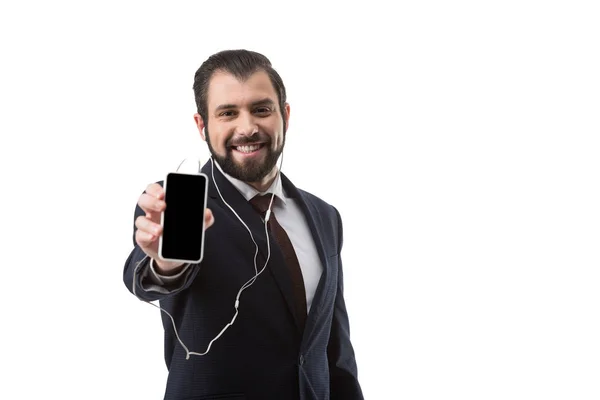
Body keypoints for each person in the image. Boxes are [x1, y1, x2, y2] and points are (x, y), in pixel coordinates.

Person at [123, 49, 364, 400]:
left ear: (285, 115)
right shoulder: (174, 207)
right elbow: (150, 276)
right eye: (228, 113)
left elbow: (335, 349)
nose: (247, 127)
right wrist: (166, 264)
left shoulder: (324, 216)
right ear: (202, 125)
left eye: (261, 109)